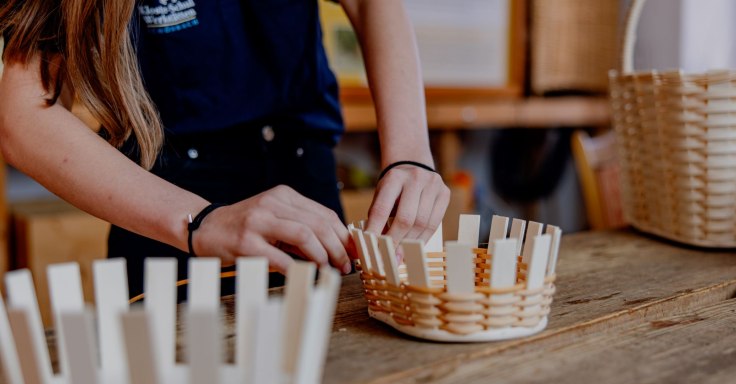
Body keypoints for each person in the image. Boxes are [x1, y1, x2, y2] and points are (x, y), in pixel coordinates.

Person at [0, 0, 450, 295]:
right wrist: (198, 220)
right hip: (163, 208)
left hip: (305, 187)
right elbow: (21, 117)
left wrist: (409, 153)